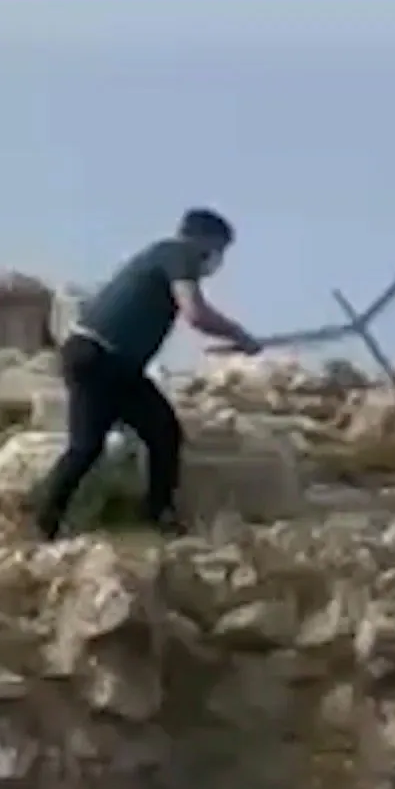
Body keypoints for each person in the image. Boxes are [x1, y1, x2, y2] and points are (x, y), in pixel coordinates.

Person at [34, 208, 261, 540]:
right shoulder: (179, 253)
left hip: (111, 363)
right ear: (204, 240)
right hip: (98, 358)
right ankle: (47, 520)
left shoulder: (160, 255)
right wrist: (239, 334)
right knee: (89, 446)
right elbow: (195, 313)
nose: (217, 260)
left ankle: (155, 514)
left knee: (159, 433)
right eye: (219, 249)